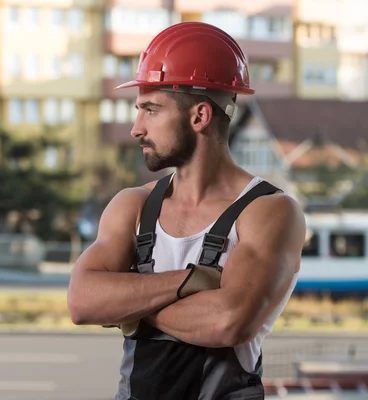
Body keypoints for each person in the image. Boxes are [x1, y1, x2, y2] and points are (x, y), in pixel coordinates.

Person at [67, 22, 305, 400]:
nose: (136, 129)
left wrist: (129, 312)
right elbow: (82, 302)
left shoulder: (269, 213)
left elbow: (229, 322)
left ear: (199, 117)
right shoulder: (134, 206)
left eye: (150, 110)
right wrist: (190, 282)